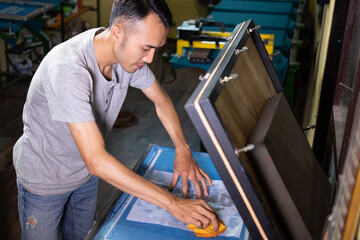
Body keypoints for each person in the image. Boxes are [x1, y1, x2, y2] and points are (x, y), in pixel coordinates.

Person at [13, 0, 219, 239]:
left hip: (84, 177)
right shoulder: (69, 70)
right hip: (46, 181)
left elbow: (161, 100)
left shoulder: (126, 55)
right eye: (146, 48)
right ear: (118, 32)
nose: (151, 59)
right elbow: (96, 160)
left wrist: (182, 149)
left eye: (157, 49)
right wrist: (173, 203)